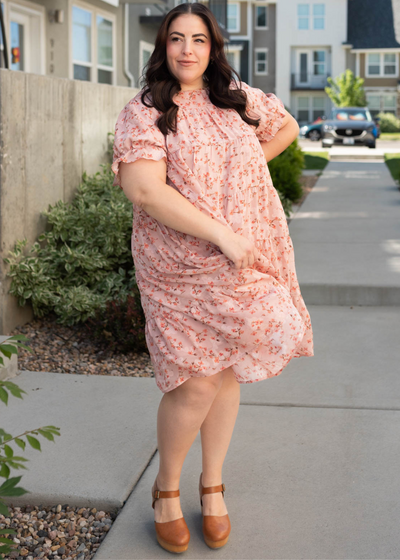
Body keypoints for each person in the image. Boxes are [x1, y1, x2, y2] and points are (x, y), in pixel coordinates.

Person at [111, 2, 314, 554]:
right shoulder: (145, 109)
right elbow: (145, 191)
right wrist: (219, 229)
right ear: (163, 47)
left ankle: (213, 483)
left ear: (212, 47)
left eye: (198, 40)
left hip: (239, 253)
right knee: (196, 378)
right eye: (176, 39)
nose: (187, 50)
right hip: (176, 262)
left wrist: (243, 182)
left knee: (224, 368)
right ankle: (167, 490)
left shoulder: (234, 96)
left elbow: (286, 127)